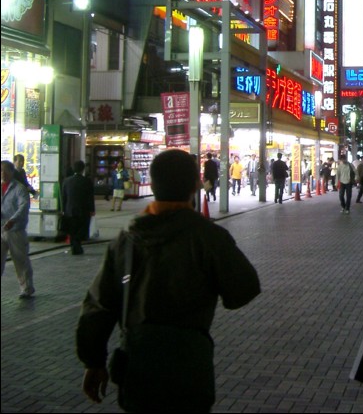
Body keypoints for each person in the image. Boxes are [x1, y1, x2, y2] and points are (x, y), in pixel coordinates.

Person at [76, 149, 261, 412]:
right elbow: (243, 290)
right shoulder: (209, 237)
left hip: (137, 365)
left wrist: (93, 362)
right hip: (190, 365)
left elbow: (98, 306)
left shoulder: (126, 241)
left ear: (152, 185)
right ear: (195, 185)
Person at [1, 160, 35, 299]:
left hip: (15, 230)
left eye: (4, 170)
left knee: (20, 260)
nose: (2, 173)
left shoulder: (19, 188)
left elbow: (23, 206)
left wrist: (12, 220)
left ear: (11, 171)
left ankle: (27, 288)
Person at [60, 160, 95, 255]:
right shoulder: (87, 181)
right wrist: (92, 209)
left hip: (69, 210)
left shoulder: (66, 181)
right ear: (83, 169)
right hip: (83, 210)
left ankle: (74, 246)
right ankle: (77, 246)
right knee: (81, 229)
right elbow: (90, 197)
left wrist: (63, 209)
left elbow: (63, 197)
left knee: (72, 230)